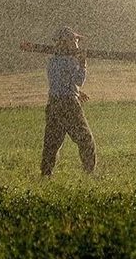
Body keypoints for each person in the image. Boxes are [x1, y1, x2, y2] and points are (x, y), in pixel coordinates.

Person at [41, 26, 97, 176]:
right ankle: (89, 173)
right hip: (69, 105)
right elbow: (78, 80)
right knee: (85, 139)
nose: (77, 43)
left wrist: (78, 93)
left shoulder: (53, 61)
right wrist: (83, 64)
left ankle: (46, 174)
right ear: (67, 42)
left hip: (53, 103)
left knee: (52, 143)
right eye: (76, 40)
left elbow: (61, 83)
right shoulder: (70, 61)